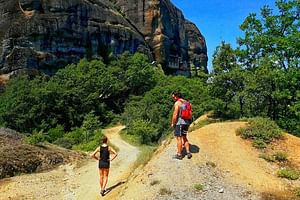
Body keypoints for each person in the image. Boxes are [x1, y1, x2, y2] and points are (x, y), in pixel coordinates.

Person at [171, 91, 192, 160]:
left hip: (179, 123)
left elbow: (175, 115)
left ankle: (179, 154)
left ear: (176, 96)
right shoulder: (187, 102)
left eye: (173, 97)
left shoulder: (177, 103)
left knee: (179, 138)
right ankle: (188, 152)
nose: (173, 98)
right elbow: (190, 113)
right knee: (184, 137)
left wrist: (173, 123)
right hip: (186, 123)